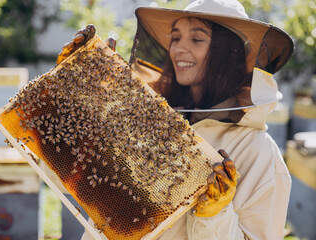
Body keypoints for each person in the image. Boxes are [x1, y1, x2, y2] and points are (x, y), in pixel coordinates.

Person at [58, 0, 294, 239]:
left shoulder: (259, 153)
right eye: (176, 38)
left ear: (228, 52)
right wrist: (78, 96)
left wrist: (213, 214)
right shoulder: (147, 123)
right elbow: (78, 178)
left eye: (197, 38)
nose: (179, 48)